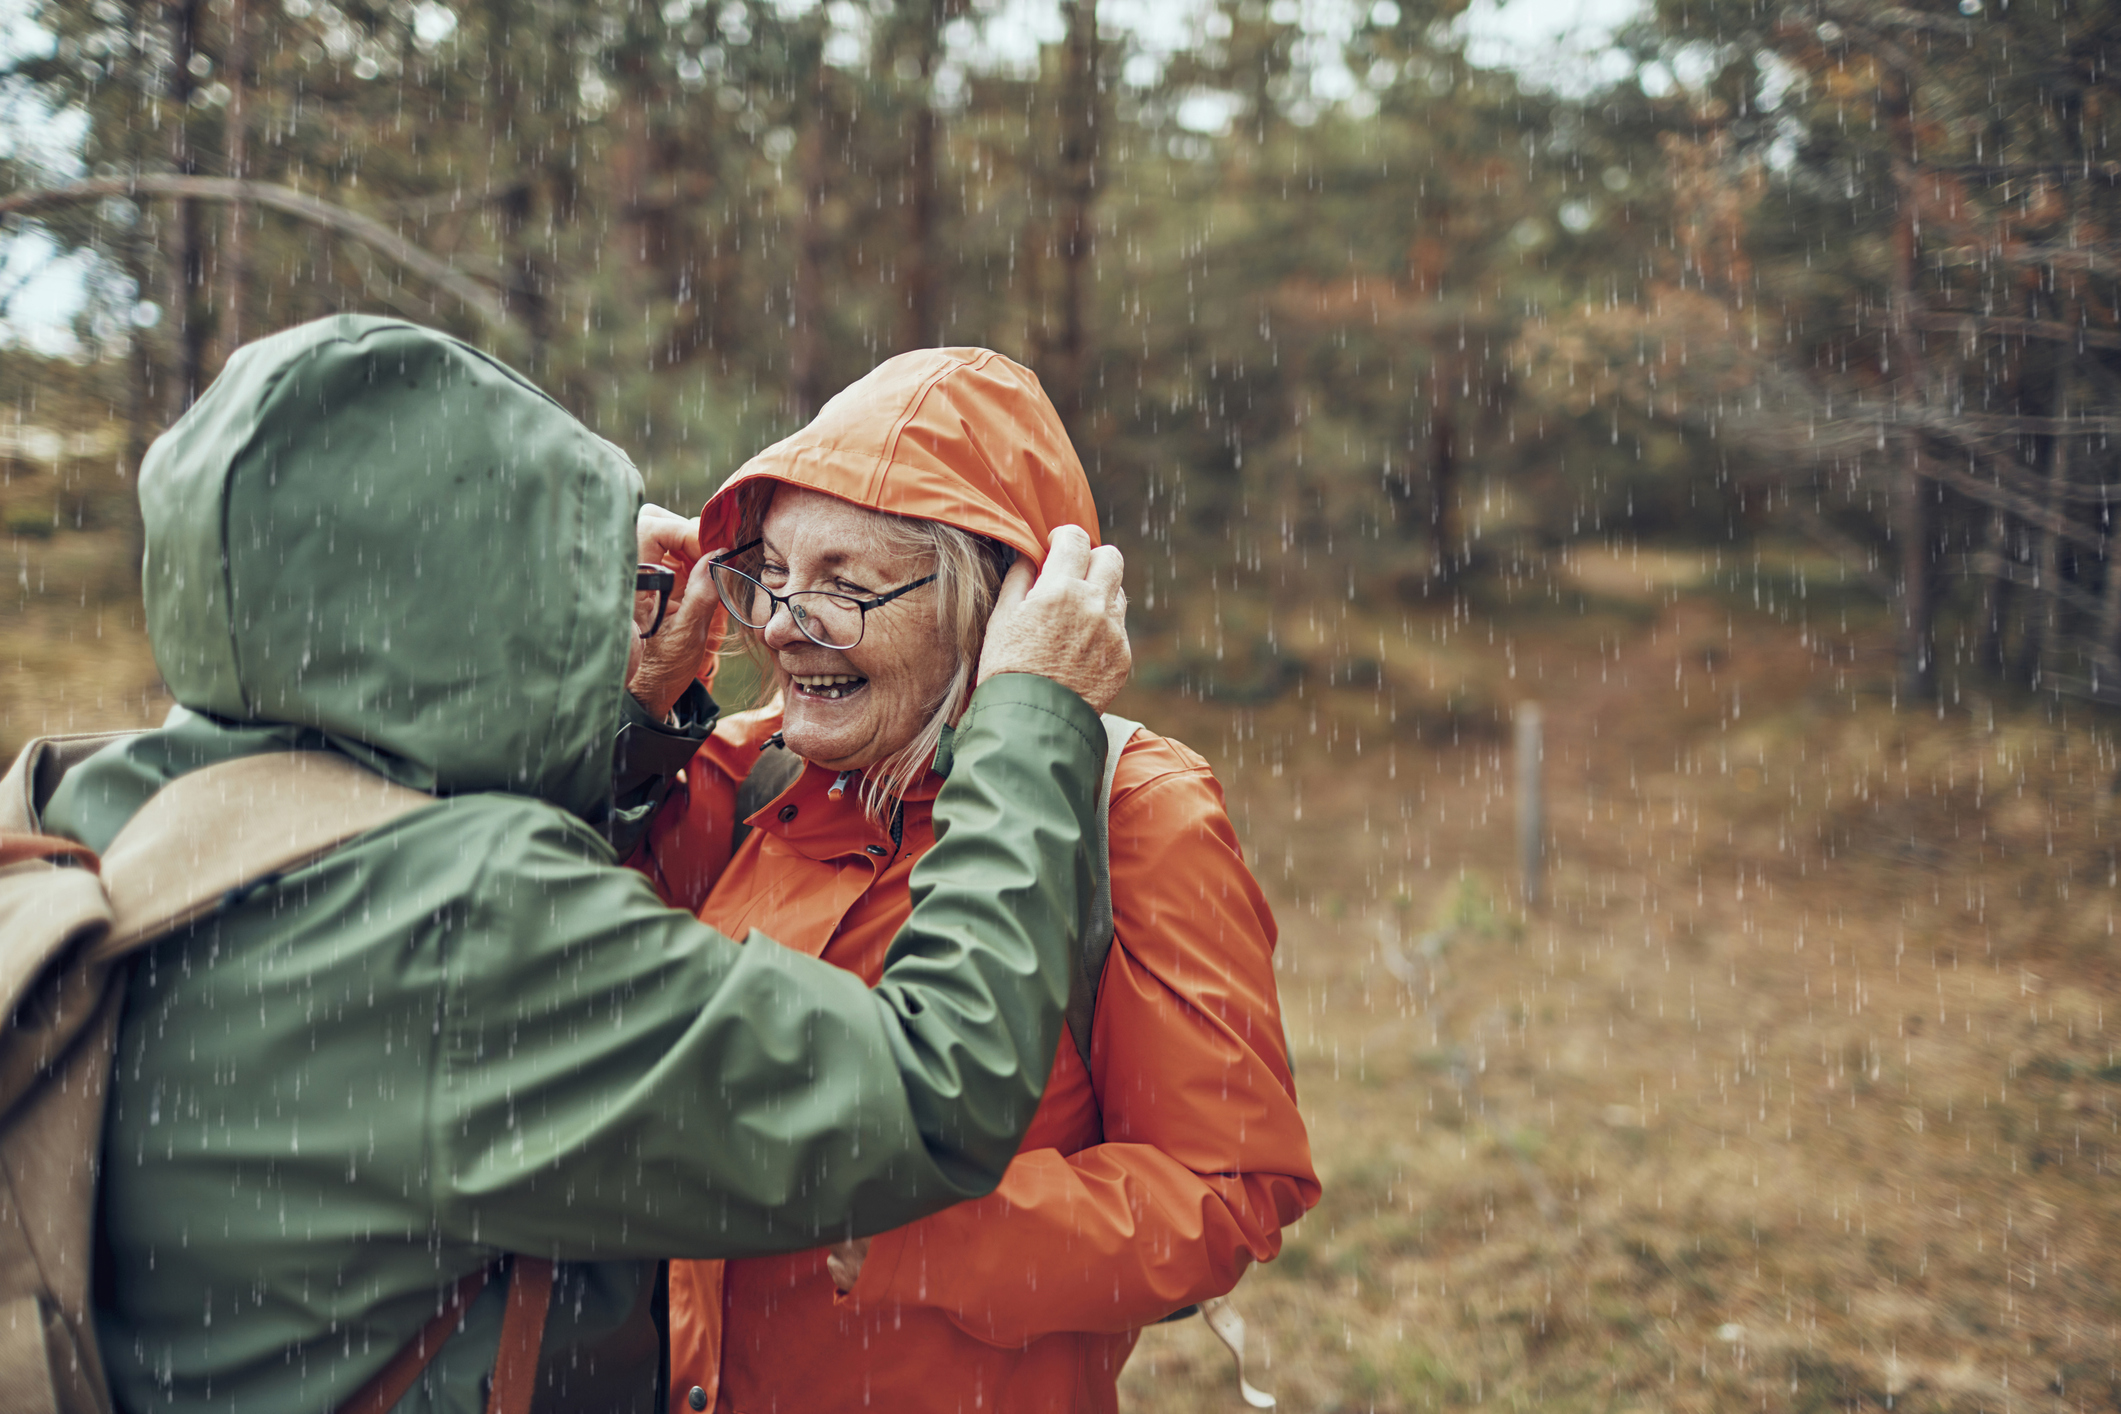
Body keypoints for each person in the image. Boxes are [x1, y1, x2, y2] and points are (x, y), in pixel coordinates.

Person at [44, 315, 1132, 1413]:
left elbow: (387, 825)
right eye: (570, 574)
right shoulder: (469, 924)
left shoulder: (96, 803)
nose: (792, 621)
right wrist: (1032, 719)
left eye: (847, 582)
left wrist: (619, 722)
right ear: (488, 596)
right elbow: (934, 1093)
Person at [628, 347, 1319, 1414]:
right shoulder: (743, 768)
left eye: (843, 588)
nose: (774, 624)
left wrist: (917, 1223)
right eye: (769, 570)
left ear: (993, 607)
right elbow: (565, 952)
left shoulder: (1135, 810)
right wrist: (634, 715)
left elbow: (1223, 1191)